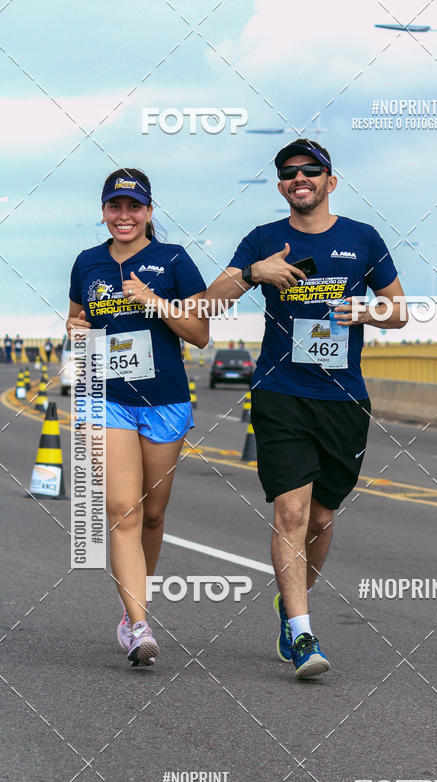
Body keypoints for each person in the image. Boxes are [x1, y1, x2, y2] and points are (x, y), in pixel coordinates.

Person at [205, 138, 407, 679]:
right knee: (290, 513)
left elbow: (400, 310)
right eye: (289, 172)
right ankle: (301, 632)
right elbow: (206, 304)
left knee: (321, 516)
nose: (300, 178)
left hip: (343, 398)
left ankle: (288, 603)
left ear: (329, 181)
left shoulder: (362, 238)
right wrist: (254, 274)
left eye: (310, 171)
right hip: (280, 392)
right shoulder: (263, 240)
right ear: (280, 186)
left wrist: (366, 311)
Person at [66, 167, 209, 666]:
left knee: (152, 512)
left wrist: (154, 301)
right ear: (104, 211)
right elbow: (78, 327)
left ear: (149, 212)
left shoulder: (173, 260)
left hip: (165, 399)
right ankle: (139, 624)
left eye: (133, 207)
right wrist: (73, 329)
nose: (123, 216)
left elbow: (198, 333)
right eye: (114, 207)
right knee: (123, 510)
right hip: (105, 398)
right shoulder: (87, 263)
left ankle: (132, 612)